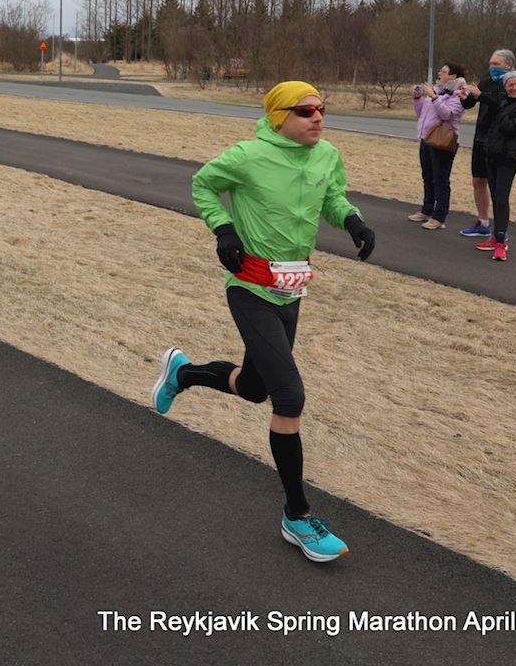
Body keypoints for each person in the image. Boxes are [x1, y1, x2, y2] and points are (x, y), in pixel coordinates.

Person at [151, 81, 375, 563]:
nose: (318, 117)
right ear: (279, 118)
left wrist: (352, 219)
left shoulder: (326, 155)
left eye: (322, 109)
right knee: (289, 396)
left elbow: (333, 198)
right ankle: (297, 516)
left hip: (291, 290)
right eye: (306, 111)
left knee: (254, 387)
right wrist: (224, 228)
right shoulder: (248, 155)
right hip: (249, 287)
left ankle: (183, 373)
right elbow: (204, 184)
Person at [457, 48, 516, 239]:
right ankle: (483, 222)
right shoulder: (485, 82)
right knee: (477, 181)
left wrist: (481, 95)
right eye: (490, 64)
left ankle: (500, 230)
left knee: (496, 186)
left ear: (508, 65)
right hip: (480, 138)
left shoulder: (512, 85)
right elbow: (471, 103)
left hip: (498, 142)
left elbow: (500, 103)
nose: (492, 67)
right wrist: (465, 98)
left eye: (496, 64)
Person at [477, 71, 516, 261]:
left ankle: (502, 242)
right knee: (495, 197)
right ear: (505, 87)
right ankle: (495, 236)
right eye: (510, 85)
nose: (514, 88)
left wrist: (499, 110)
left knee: (501, 199)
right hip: (492, 156)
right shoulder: (504, 102)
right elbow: (491, 127)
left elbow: (512, 128)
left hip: (508, 159)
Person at [408, 63, 466, 230]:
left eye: (444, 72)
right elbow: (421, 114)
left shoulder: (459, 93)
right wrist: (417, 98)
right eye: (440, 71)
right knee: (427, 176)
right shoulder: (436, 90)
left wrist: (433, 97)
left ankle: (439, 216)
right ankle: (427, 209)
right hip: (427, 138)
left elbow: (447, 114)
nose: (439, 74)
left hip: (443, 141)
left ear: (453, 76)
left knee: (440, 179)